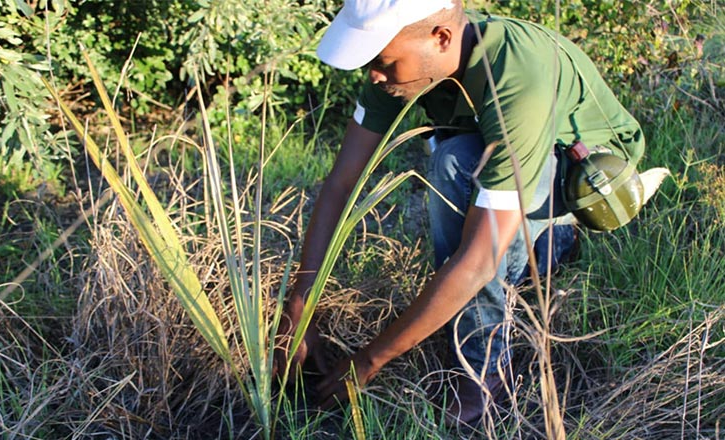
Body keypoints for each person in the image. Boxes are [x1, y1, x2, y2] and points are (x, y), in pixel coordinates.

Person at [274, 0, 646, 424]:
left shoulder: (515, 77)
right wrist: (299, 308)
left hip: (586, 172)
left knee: (463, 183)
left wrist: (368, 362)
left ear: (442, 38)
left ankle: (484, 371)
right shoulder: (401, 66)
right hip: (497, 153)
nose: (374, 75)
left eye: (383, 61)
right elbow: (341, 183)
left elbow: (477, 262)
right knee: (458, 163)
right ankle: (541, 252)